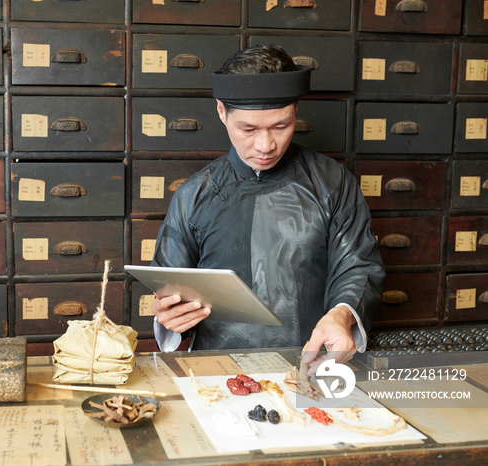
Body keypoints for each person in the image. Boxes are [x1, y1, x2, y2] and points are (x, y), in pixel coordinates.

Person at [150, 45, 385, 373]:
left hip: (312, 366)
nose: (265, 146)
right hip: (216, 374)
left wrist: (341, 315)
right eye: (248, 129)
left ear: (295, 111)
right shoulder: (193, 194)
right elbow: (170, 284)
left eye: (280, 126)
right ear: (222, 112)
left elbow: (358, 265)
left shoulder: (333, 182)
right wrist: (171, 316)